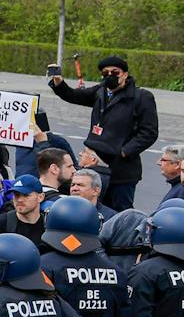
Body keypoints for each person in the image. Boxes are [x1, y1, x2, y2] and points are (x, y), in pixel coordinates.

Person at [50, 56, 159, 211]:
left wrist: (123, 152)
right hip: (94, 166)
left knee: (120, 211)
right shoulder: (101, 91)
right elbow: (74, 95)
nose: (110, 76)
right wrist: (58, 82)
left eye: (115, 72)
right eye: (105, 73)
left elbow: (149, 132)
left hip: (121, 171)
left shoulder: (140, 97)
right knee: (92, 207)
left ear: (125, 74)